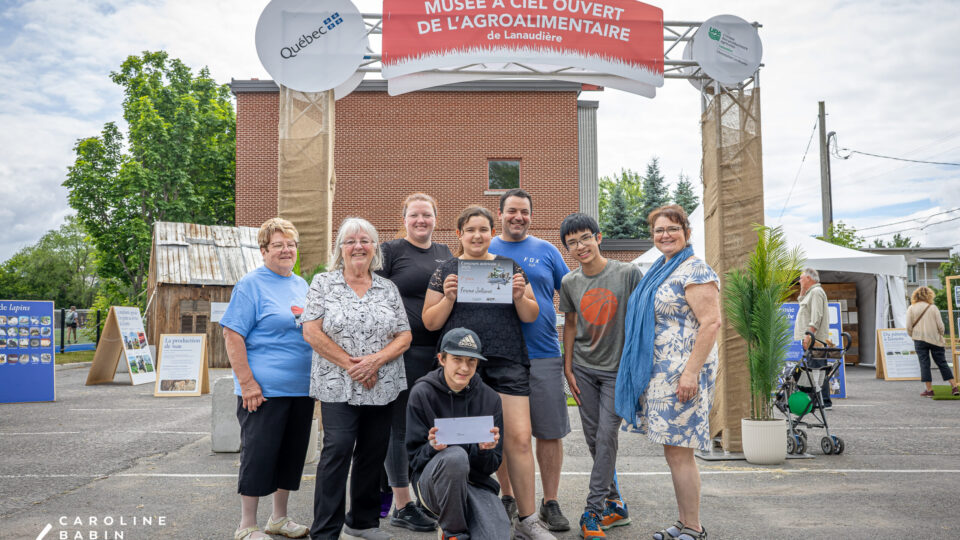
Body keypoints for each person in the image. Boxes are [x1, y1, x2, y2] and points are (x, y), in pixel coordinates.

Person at [422, 205, 554, 540]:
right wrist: (448, 298)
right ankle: (455, 518)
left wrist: (519, 296)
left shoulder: (509, 268)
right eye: (470, 230)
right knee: (461, 440)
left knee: (519, 438)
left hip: (507, 359)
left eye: (483, 230)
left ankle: (528, 520)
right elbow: (430, 322)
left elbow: (531, 314)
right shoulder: (446, 270)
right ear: (459, 234)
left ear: (492, 233)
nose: (477, 236)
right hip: (462, 366)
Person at [302, 217, 413, 540]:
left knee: (372, 451)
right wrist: (353, 366)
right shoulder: (324, 283)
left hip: (382, 384)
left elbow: (404, 335)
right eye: (350, 241)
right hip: (337, 383)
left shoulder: (387, 288)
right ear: (340, 248)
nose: (358, 247)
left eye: (365, 240)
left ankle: (362, 523)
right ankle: (326, 531)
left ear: (375, 247)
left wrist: (375, 361)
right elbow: (311, 331)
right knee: (337, 449)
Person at [618, 204, 721, 540]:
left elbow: (711, 323)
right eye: (659, 230)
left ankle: (694, 527)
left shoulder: (695, 270)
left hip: (683, 376)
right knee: (674, 451)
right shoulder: (661, 269)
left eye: (673, 229)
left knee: (681, 452)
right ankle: (683, 522)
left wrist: (690, 373)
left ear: (686, 233)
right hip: (662, 376)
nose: (665, 235)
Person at [220, 218, 314, 540]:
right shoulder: (251, 285)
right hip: (263, 391)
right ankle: (246, 525)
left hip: (300, 389)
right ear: (263, 250)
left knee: (290, 456)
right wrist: (247, 383)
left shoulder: (302, 285)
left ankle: (279, 518)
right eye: (278, 245)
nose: (286, 250)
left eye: (291, 244)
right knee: (259, 456)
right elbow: (232, 334)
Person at [488, 189, 572, 531]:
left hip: (543, 353)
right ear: (500, 214)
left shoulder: (547, 251)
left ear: (531, 216)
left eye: (524, 211)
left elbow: (571, 295)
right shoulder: (485, 249)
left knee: (549, 432)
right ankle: (508, 496)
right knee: (504, 433)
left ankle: (550, 501)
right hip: (499, 356)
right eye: (511, 211)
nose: (518, 217)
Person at [557, 213, 640, 539]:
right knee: (594, 440)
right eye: (572, 242)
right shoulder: (569, 282)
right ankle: (615, 504)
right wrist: (568, 366)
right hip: (583, 369)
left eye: (585, 238)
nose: (580, 246)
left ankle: (592, 511)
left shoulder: (627, 273)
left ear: (598, 237)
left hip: (617, 372)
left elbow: (642, 319)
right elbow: (571, 324)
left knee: (606, 437)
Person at [375, 193, 451, 532]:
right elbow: (373, 295)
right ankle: (402, 504)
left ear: (436, 218)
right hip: (401, 352)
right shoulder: (391, 251)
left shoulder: (446, 253)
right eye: (415, 215)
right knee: (399, 426)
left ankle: (423, 498)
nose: (421, 221)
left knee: (427, 427)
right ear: (404, 219)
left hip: (437, 354)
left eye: (427, 215)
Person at [406, 327, 510, 540]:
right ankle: (453, 533)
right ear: (442, 359)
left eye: (471, 361)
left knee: (496, 536)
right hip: (433, 485)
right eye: (457, 359)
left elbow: (490, 467)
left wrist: (484, 451)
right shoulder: (422, 393)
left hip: (475, 483)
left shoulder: (490, 399)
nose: (464, 367)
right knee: (455, 457)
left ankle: (465, 523)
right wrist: (432, 448)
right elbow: (414, 460)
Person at [906, 286, 959, 397]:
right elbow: (941, 326)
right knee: (942, 363)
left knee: (924, 364)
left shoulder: (911, 308)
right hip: (935, 339)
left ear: (915, 295)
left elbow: (908, 326)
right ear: (929, 295)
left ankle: (929, 390)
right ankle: (954, 387)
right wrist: (940, 334)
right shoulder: (933, 307)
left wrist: (913, 335)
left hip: (919, 339)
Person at [794, 267, 833, 408]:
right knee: (815, 369)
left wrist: (809, 336)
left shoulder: (816, 292)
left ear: (809, 278)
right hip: (812, 339)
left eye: (801, 278)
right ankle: (820, 400)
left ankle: (823, 401)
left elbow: (816, 316)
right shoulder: (811, 292)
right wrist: (802, 289)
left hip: (815, 339)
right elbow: (801, 302)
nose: (799, 281)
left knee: (817, 370)